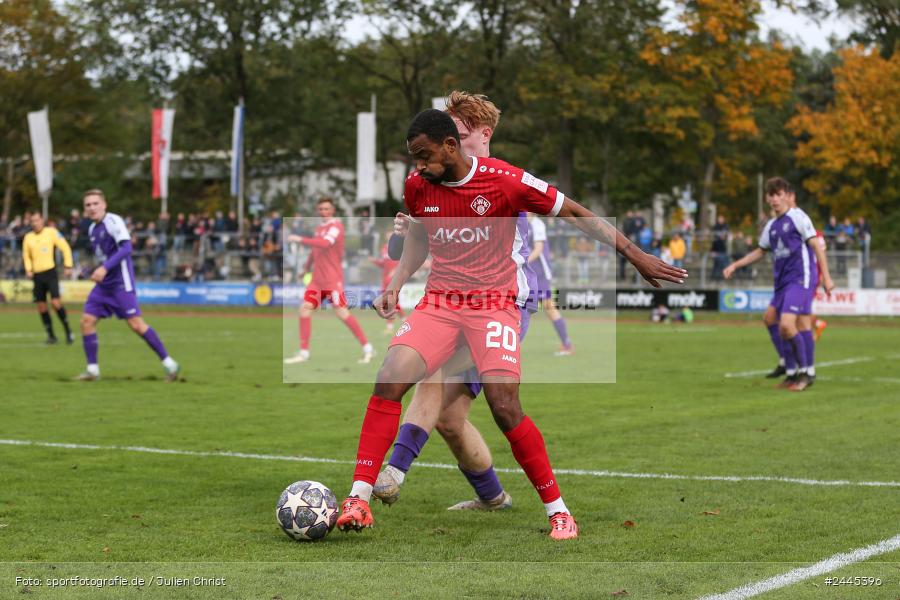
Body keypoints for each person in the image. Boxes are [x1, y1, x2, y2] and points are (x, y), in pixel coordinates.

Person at [335, 108, 687, 540]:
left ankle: (559, 512)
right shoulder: (417, 185)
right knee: (391, 377)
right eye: (414, 158)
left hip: (495, 304)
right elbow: (419, 238)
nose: (419, 167)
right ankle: (359, 498)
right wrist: (395, 284)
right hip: (441, 302)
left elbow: (574, 212)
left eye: (424, 156)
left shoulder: (506, 180)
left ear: (451, 146)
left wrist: (633, 254)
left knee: (504, 405)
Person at [375, 92, 536, 514]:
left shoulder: (503, 183)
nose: (453, 146)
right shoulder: (437, 183)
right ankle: (493, 497)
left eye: (461, 137)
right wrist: (407, 233)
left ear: (485, 135)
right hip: (458, 304)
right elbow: (405, 249)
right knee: (449, 419)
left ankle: (393, 471)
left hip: (503, 304)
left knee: (433, 371)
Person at [723, 178, 834, 392]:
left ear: (786, 195)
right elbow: (760, 251)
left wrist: (827, 277)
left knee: (787, 325)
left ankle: (806, 373)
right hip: (781, 283)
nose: (775, 199)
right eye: (771, 195)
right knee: (774, 320)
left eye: (778, 194)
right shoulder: (771, 226)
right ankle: (791, 372)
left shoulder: (798, 217)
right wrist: (736, 265)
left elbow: (816, 246)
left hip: (799, 279)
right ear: (767, 198)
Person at [77, 189, 180, 381]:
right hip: (104, 286)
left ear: (104, 204)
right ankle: (92, 370)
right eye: (88, 205)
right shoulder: (92, 229)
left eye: (95, 203)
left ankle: (170, 363)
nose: (92, 208)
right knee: (86, 321)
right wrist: (90, 269)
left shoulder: (113, 221)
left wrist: (104, 268)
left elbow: (126, 248)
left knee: (136, 325)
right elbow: (105, 256)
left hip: (120, 284)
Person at [283, 197, 374, 364]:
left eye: (326, 209)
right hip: (317, 280)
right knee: (304, 310)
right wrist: (305, 269)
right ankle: (304, 353)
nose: (323, 212)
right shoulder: (319, 228)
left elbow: (325, 244)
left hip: (332, 280)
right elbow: (315, 250)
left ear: (332, 210)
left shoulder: (336, 226)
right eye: (321, 209)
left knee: (342, 312)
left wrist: (299, 239)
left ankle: (367, 348)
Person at [22, 212, 74, 344]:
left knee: (56, 303)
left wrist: (68, 265)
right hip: (37, 275)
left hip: (50, 273)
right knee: (41, 306)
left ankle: (68, 331)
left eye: (37, 220)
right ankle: (51, 336)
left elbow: (65, 248)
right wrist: (28, 269)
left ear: (42, 220)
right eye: (32, 221)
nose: (35, 223)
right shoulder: (28, 237)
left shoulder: (51, 232)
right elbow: (26, 255)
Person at [528, 213, 574, 354]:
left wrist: (521, 263)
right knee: (518, 309)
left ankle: (567, 344)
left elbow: (538, 249)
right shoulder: (520, 223)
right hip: (528, 274)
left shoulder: (537, 224)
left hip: (540, 274)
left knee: (549, 308)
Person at [369, 226, 405, 334]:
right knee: (390, 301)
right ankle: (404, 320)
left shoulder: (398, 247)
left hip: (393, 278)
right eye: (387, 234)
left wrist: (395, 271)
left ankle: (390, 327)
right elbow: (382, 264)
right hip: (385, 278)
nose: (389, 236)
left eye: (391, 234)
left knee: (389, 301)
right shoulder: (384, 248)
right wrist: (374, 261)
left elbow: (403, 260)